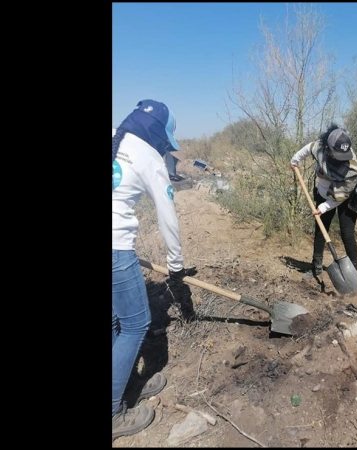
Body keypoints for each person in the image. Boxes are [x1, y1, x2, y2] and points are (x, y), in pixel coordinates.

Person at [112, 99, 196, 439]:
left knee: (116, 321)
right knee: (136, 324)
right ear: (160, 135)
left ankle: (124, 379)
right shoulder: (148, 155)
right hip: (114, 245)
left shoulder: (116, 137)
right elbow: (168, 217)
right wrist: (176, 268)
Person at [290, 124, 357, 277]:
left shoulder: (352, 167)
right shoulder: (320, 147)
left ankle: (354, 274)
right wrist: (295, 160)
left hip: (346, 196)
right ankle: (316, 268)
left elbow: (340, 196)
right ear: (328, 148)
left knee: (347, 233)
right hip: (324, 192)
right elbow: (309, 148)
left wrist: (323, 208)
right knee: (320, 230)